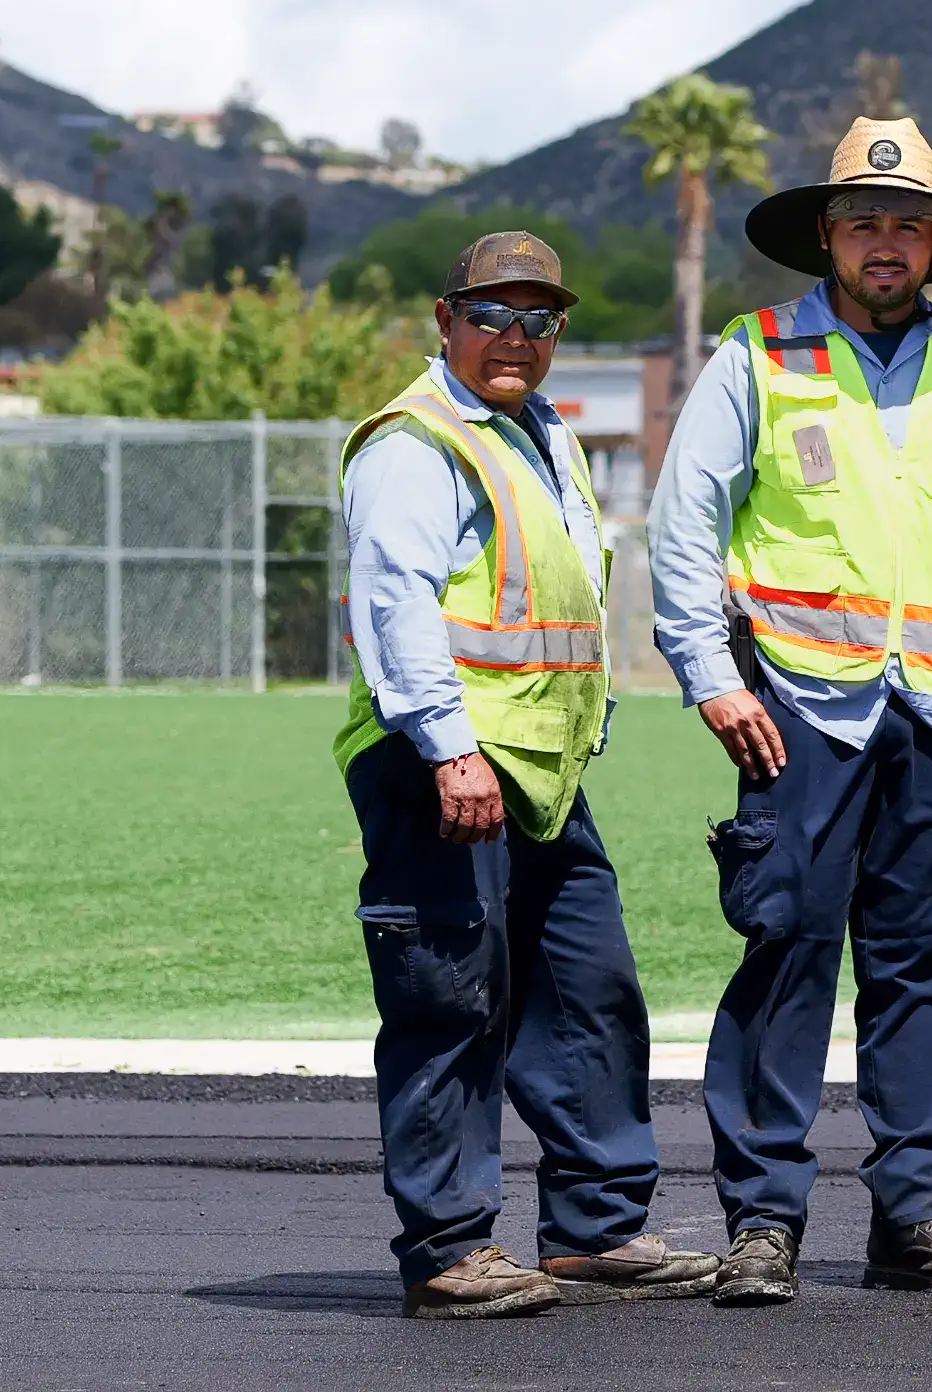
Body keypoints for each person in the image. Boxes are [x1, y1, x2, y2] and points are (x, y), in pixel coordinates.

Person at [649, 117, 932, 1306]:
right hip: (799, 710)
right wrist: (711, 677)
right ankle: (763, 1219)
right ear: (827, 233)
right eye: (864, 220)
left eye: (906, 223)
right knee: (787, 951)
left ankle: (916, 1212)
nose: (885, 241)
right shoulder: (754, 357)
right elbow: (682, 527)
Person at [333, 232, 716, 1317]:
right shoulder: (418, 443)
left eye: (540, 320)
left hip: (538, 777)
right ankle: (450, 1250)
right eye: (494, 315)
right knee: (449, 1003)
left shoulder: (542, 437)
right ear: (445, 321)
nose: (517, 337)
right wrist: (450, 747)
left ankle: (596, 1230)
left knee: (589, 991)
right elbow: (396, 601)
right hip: (444, 769)